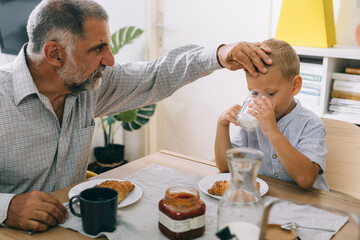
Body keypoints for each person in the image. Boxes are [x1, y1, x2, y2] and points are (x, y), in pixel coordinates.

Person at [0, 0, 272, 232]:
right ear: (54, 53)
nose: (110, 59)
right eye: (98, 49)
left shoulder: (87, 85)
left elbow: (157, 74)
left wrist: (218, 55)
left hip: (76, 227)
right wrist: (7, 207)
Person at [214, 38, 328, 191]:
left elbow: (305, 179)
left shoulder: (311, 124)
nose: (260, 101)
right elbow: (226, 169)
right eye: (254, 93)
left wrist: (272, 132)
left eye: (270, 93)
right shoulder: (251, 119)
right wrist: (222, 125)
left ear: (295, 86)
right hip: (267, 200)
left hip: (305, 204)